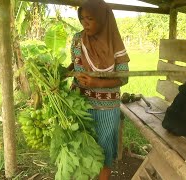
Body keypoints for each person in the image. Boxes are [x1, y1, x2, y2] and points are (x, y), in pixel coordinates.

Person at [67, 0, 130, 179]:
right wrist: (64, 72)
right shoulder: (78, 39)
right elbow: (75, 62)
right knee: (83, 148)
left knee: (103, 151)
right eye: (82, 18)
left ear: (102, 19)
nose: (84, 23)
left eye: (90, 18)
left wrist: (97, 84)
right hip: (80, 104)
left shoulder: (114, 43)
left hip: (107, 107)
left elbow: (123, 77)